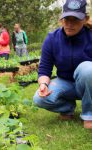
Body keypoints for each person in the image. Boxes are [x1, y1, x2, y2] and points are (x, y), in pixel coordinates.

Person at [33, 0, 92, 129]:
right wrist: (43, 85)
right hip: (66, 83)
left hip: (88, 84)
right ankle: (67, 108)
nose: (70, 24)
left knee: (88, 69)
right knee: (38, 98)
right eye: (66, 19)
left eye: (75, 20)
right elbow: (44, 68)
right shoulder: (52, 38)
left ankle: (89, 115)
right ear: (61, 19)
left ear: (85, 19)